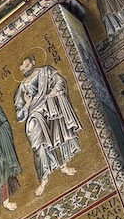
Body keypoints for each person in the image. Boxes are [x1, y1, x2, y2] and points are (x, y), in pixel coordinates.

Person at [14, 56, 81, 197]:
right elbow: (19, 116)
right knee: (37, 145)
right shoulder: (22, 88)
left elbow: (60, 81)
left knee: (57, 137)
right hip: (34, 115)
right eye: (22, 69)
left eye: (26, 66)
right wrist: (27, 104)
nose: (25, 70)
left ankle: (63, 165)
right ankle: (44, 178)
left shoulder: (45, 71)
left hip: (51, 108)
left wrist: (54, 91)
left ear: (33, 62)